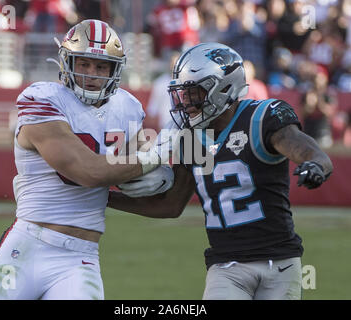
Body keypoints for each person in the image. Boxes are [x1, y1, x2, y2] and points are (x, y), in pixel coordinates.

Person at [107, 42, 333, 300]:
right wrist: (106, 197)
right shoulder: (191, 136)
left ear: (224, 88)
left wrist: (315, 166)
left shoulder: (260, 119)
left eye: (195, 93)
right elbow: (171, 205)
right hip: (226, 266)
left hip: (279, 262)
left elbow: (309, 151)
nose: (187, 103)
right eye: (183, 94)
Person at [0, 19, 174, 300]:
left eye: (101, 66)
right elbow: (87, 172)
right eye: (84, 63)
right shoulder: (43, 98)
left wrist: (160, 173)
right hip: (29, 246)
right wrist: (161, 151)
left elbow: (145, 177)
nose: (92, 73)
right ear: (67, 62)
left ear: (115, 69)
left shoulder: (128, 108)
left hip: (80, 257)